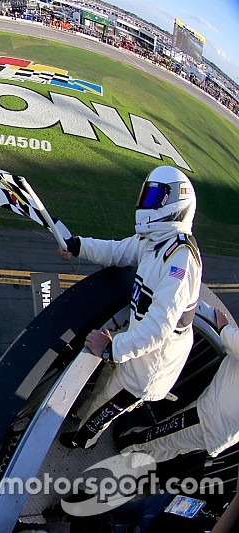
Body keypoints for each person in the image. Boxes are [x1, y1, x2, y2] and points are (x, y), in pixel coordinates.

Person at [57, 166, 202, 449]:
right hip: (132, 347)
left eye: (154, 198)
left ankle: (83, 439)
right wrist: (77, 246)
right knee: (103, 389)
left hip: (147, 369)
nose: (145, 204)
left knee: (105, 406)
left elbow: (157, 330)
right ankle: (80, 415)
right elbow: (116, 251)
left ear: (175, 205)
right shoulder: (156, 241)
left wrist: (111, 349)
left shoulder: (180, 262)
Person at [117, 308, 239, 461]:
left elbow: (231, 340)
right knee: (174, 448)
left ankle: (125, 443)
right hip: (222, 435)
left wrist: (223, 327)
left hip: (209, 419)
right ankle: (138, 461)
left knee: (162, 435)